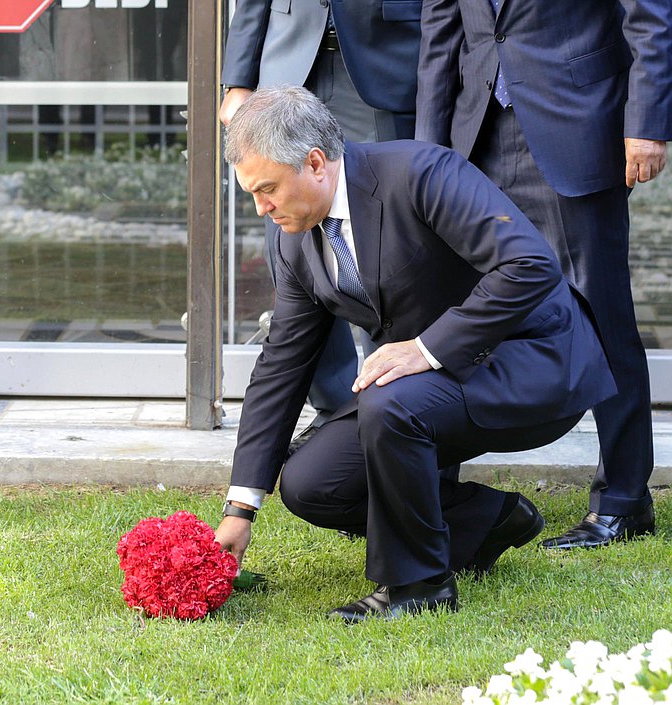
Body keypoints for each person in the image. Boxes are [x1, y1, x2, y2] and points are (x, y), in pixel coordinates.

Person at [213, 86, 616, 622]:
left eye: (267, 190)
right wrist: (241, 507)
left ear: (314, 163)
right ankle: (488, 520)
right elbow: (282, 365)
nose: (262, 208)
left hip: (534, 362)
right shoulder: (295, 239)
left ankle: (417, 585)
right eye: (252, 194)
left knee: (390, 402)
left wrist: (428, 348)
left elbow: (528, 266)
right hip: (425, 386)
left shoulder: (422, 172)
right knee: (313, 484)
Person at [416, 0, 671, 549]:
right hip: (473, 135)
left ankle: (624, 501)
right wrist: (427, 156)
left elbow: (650, 16)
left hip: (578, 124)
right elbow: (440, 31)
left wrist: (647, 123)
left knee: (602, 316)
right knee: (454, 312)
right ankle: (430, 493)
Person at [220, 0, 421, 433]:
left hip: (386, 66)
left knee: (385, 241)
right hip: (287, 67)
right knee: (294, 246)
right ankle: (336, 411)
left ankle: (396, 407)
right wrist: (237, 80)